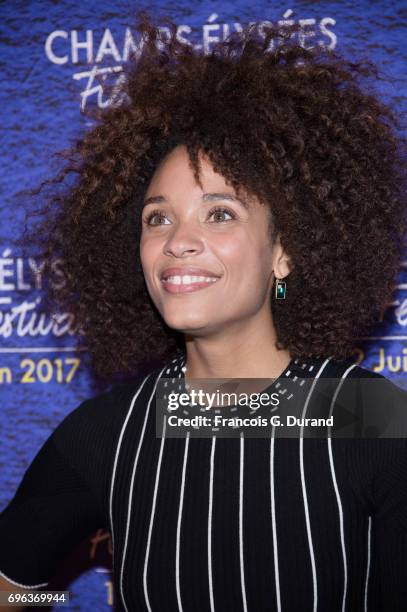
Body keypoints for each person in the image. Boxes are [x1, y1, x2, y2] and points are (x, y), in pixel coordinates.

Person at [1, 12, 407, 612]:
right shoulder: (107, 435)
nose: (177, 241)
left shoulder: (372, 420)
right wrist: (54, 600)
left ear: (285, 253)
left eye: (220, 213)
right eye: (157, 217)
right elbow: (14, 589)